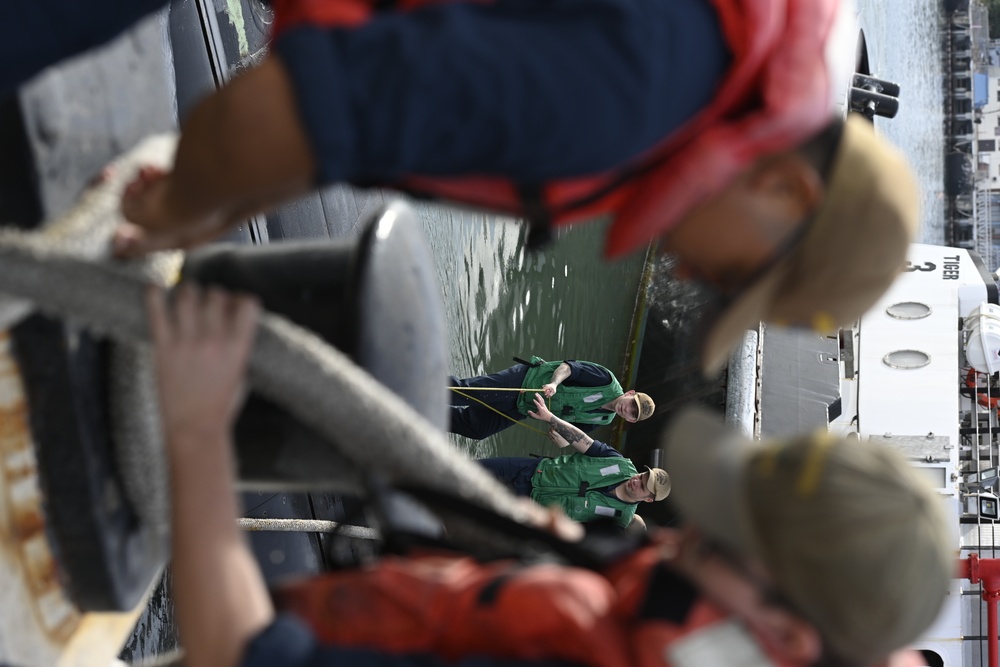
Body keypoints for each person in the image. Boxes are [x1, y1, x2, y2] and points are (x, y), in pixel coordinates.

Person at [152, 285, 952, 667]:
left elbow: (243, 653)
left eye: (722, 543)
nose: (691, 538)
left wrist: (195, 433)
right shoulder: (681, 616)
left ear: (783, 633)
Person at [109, 0, 919, 373]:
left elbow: (325, 120)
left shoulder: (697, 70)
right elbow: (269, 118)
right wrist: (177, 210)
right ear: (785, 190)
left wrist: (224, 202)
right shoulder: (624, 100)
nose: (693, 280)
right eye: (734, 280)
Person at [476, 393, 668, 528]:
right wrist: (550, 418)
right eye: (642, 475)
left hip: (529, 510)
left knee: (471, 508)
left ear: (647, 499)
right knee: (471, 469)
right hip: (530, 471)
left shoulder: (619, 520)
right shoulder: (620, 463)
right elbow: (583, 440)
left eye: (642, 486)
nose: (636, 481)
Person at [449, 357, 654, 440]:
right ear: (629, 394)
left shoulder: (603, 419)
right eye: (631, 404)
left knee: (478, 429)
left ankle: (425, 411)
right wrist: (555, 384)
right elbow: (568, 367)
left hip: (523, 408)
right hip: (525, 382)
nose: (627, 410)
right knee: (464, 392)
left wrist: (559, 437)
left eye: (632, 414)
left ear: (630, 420)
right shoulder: (605, 379)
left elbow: (571, 437)